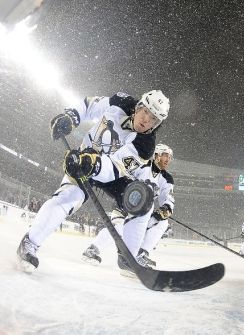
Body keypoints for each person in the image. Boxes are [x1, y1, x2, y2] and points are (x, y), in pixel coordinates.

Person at [17, 90, 170, 273]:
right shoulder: (121, 101)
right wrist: (71, 117)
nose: (146, 120)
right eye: (145, 112)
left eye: (153, 119)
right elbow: (89, 106)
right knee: (68, 198)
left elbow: (114, 168)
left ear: (157, 124)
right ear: (138, 106)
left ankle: (128, 257)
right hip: (83, 160)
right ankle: (30, 242)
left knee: (143, 204)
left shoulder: (145, 145)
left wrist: (92, 163)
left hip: (112, 173)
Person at [82, 143, 175, 270]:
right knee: (119, 228)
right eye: (165, 156)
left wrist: (166, 208)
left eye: (170, 157)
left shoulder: (166, 178)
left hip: (142, 213)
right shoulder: (141, 163)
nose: (168, 160)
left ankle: (140, 254)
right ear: (157, 155)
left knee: (162, 223)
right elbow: (120, 173)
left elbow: (168, 197)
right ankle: (93, 249)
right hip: (124, 205)